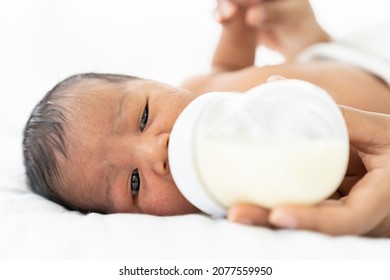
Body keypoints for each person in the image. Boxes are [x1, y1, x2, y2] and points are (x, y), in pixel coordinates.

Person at [22, 0, 390, 236]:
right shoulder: (251, 197)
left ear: (159, 83)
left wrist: (240, 24)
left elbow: (229, 65)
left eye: (144, 116)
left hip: (359, 59)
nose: (157, 150)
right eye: (134, 184)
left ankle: (310, 40)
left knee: (320, 56)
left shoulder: (200, 86)